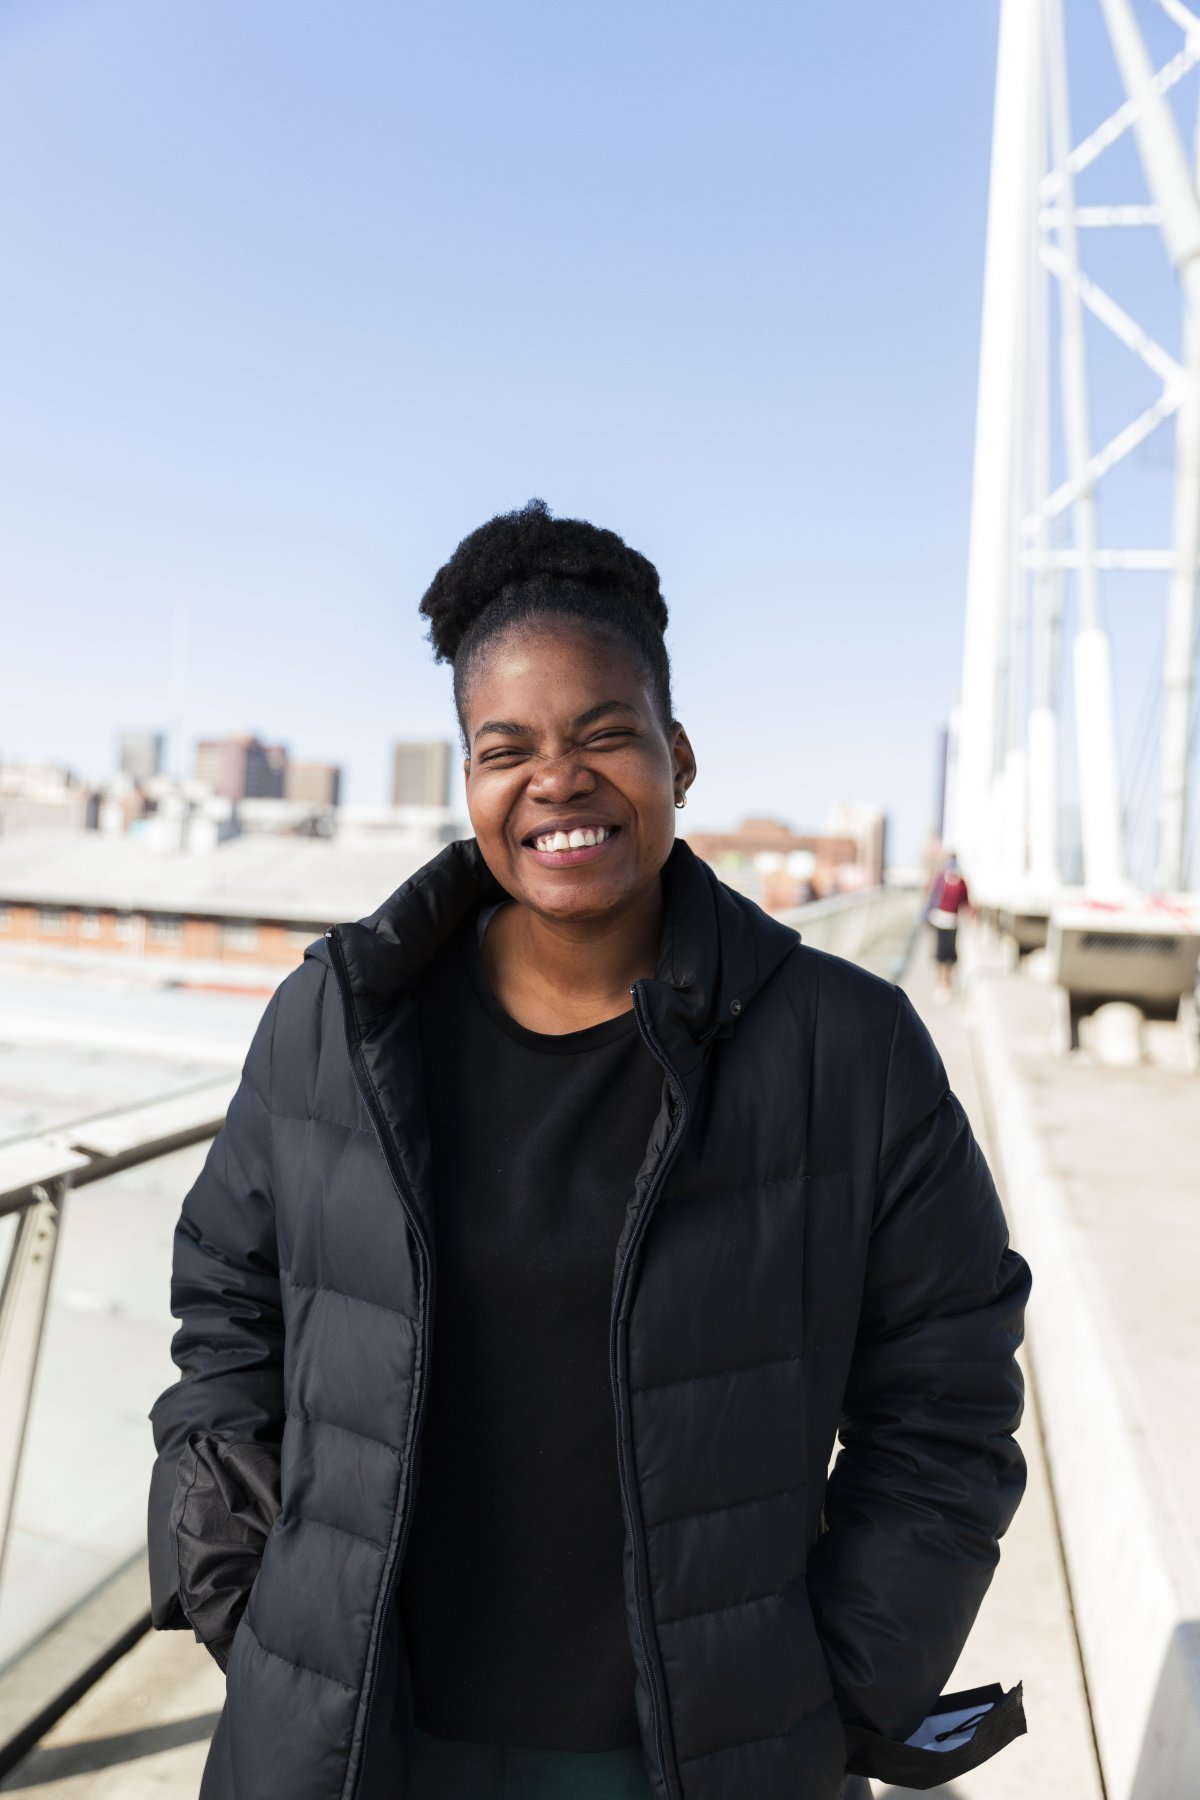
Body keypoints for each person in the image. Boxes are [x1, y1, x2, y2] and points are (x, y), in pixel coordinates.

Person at [147, 500, 1031, 1800]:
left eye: (604, 734)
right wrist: (240, 1585)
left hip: (687, 1756)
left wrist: (839, 1686)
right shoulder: (340, 1021)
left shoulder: (849, 1051)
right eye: (505, 747)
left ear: (677, 753)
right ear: (469, 781)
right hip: (359, 1742)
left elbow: (947, 1398)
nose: (556, 780)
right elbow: (225, 1306)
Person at [925, 852, 973, 998]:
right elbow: (932, 897)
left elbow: (965, 902)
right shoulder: (940, 878)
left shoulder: (961, 882)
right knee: (939, 955)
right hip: (939, 920)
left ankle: (948, 985)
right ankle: (940, 984)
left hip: (953, 922)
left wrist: (970, 918)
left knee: (950, 955)